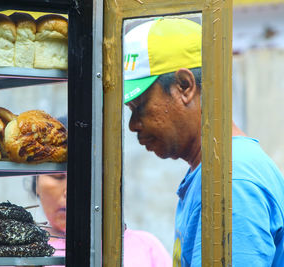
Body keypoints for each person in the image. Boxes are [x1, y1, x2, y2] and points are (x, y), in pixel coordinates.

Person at [123, 17, 284, 266]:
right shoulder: (216, 170)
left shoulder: (231, 180)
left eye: (139, 106)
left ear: (184, 86)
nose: (133, 124)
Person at [32, 173, 172, 267]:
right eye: (57, 176)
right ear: (36, 183)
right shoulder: (16, 255)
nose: (69, 192)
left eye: (85, 175)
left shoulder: (146, 247)